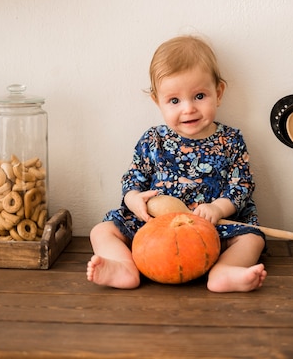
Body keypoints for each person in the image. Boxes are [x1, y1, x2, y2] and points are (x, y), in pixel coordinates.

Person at [86, 35, 266, 293]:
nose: (188, 109)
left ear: (219, 93)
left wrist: (217, 208)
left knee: (251, 238)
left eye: (199, 96)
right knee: (102, 231)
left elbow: (241, 185)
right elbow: (133, 177)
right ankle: (123, 267)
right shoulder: (153, 139)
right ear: (157, 101)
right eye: (174, 101)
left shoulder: (231, 140)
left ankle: (224, 272)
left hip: (211, 229)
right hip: (155, 230)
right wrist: (134, 199)